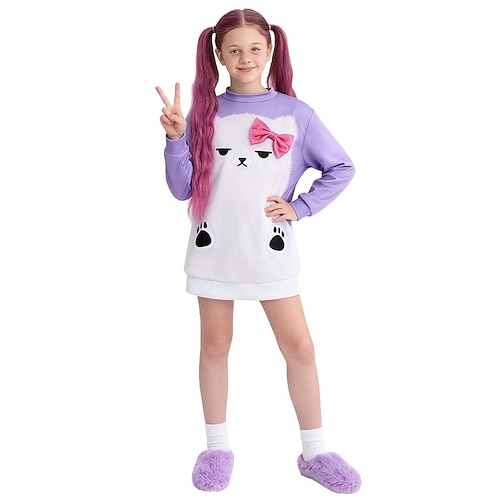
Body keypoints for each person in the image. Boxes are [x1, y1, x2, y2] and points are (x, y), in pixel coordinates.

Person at [156, 8, 361, 494]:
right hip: (214, 251)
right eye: (234, 49)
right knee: (215, 346)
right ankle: (217, 447)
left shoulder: (297, 114)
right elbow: (181, 189)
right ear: (218, 55)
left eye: (254, 48)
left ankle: (315, 452)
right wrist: (176, 138)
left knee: (301, 347)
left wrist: (301, 207)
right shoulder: (203, 113)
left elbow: (341, 167)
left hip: (270, 253)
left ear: (269, 50)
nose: (245, 57)